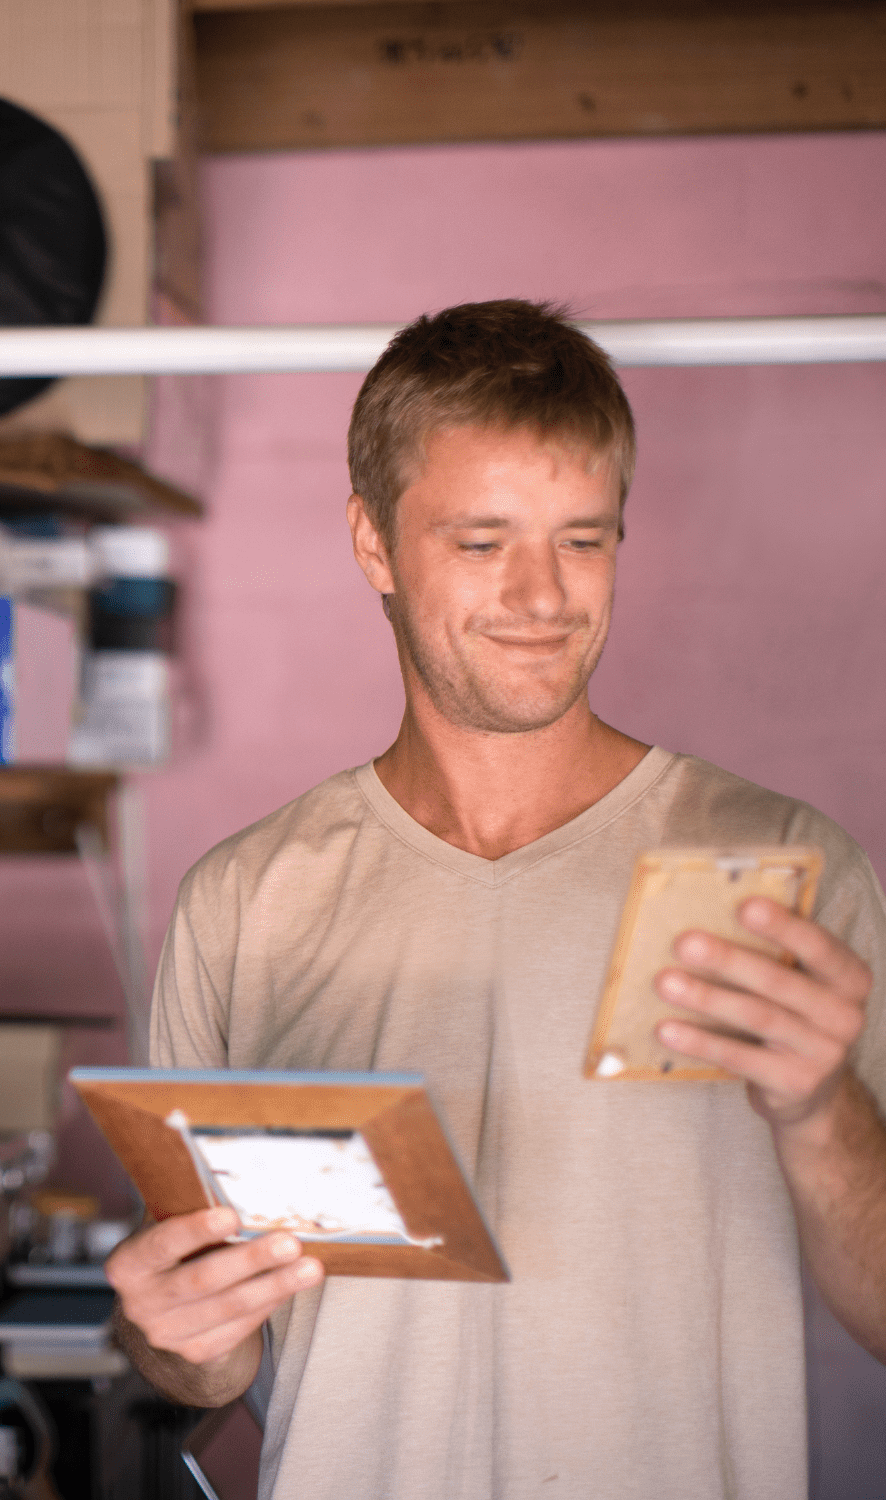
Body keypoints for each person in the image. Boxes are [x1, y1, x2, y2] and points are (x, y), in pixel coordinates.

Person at [108, 300, 886, 1498]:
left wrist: (820, 1107)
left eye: (583, 539)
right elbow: (204, 1351)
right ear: (374, 545)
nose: (543, 597)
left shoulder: (780, 873)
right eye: (482, 543)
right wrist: (178, 1334)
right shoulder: (247, 902)